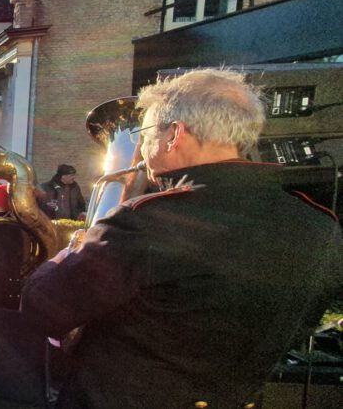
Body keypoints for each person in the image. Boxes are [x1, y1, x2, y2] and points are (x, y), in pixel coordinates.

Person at [20, 69, 343, 409]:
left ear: (174, 134)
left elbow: (42, 308)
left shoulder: (149, 221)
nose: (142, 148)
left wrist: (73, 249)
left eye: (145, 134)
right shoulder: (320, 227)